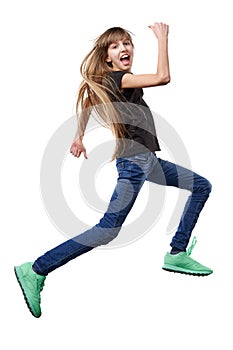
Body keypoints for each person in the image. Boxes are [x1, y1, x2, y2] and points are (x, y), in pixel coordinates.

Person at [14, 23, 213, 318]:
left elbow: (86, 102)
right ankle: (36, 269)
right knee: (107, 230)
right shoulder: (119, 79)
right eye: (116, 46)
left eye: (127, 43)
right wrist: (162, 39)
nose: (125, 49)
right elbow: (163, 77)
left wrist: (78, 136)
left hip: (148, 162)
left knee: (201, 185)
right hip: (134, 163)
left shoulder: (107, 82)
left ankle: (177, 253)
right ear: (107, 57)